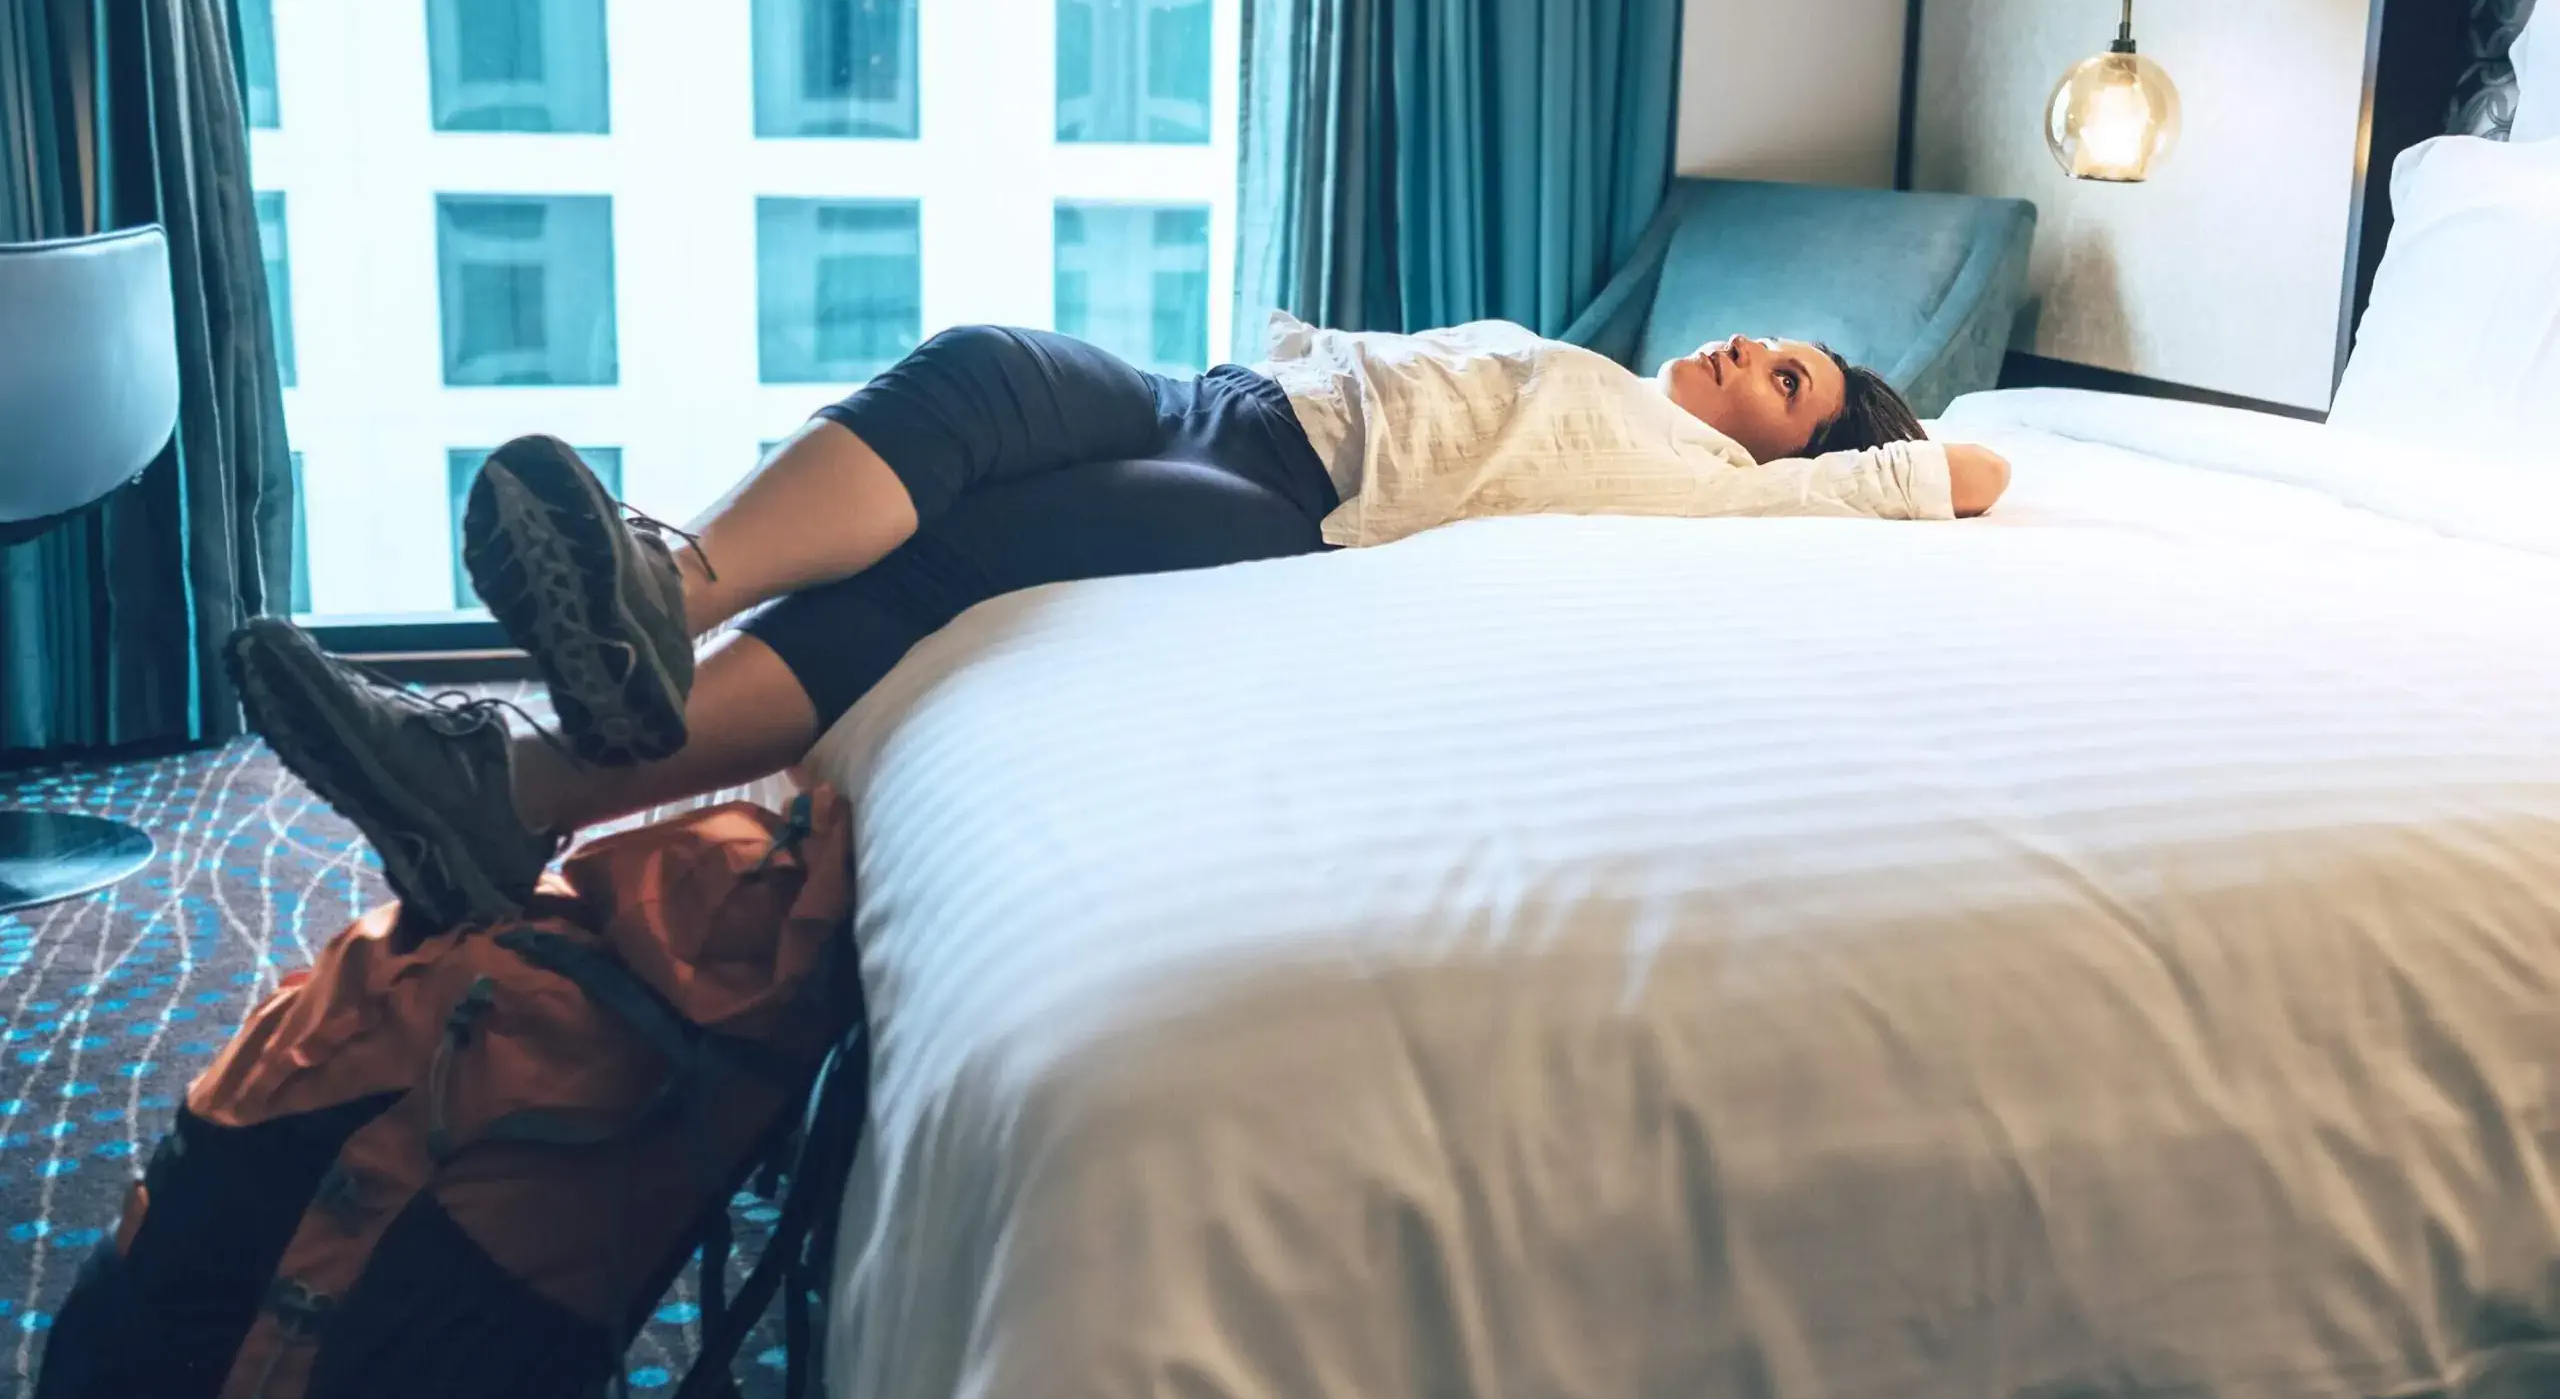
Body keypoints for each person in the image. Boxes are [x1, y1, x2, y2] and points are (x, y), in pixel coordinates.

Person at [225, 317, 2013, 930]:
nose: (1749, 356)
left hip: (1286, 503)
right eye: (1769, 344)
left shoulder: (1723, 491)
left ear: (1804, 448)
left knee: (953, 562)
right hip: (1226, 398)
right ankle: (660, 591)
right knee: (974, 373)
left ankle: (519, 791)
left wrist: (1879, 453)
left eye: (1788, 381)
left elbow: (1968, 472)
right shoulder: (1620, 382)